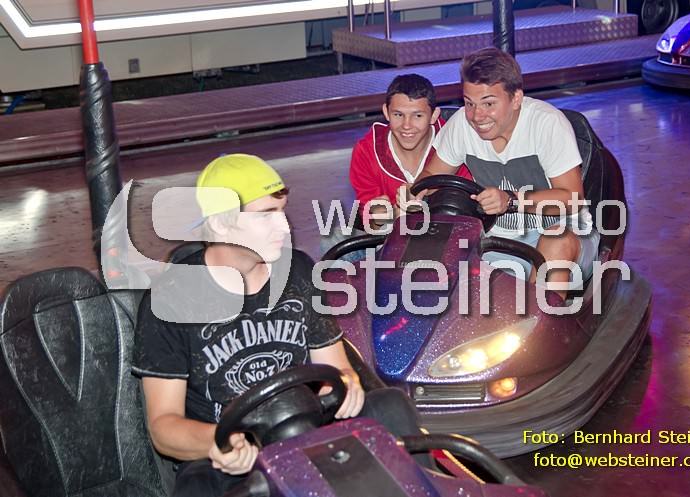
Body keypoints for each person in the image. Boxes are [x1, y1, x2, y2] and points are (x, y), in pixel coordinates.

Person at [133, 154, 424, 497]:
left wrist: (347, 384)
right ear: (221, 223)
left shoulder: (298, 271)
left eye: (282, 212)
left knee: (391, 405)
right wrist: (216, 442)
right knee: (197, 488)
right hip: (233, 454)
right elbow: (163, 426)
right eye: (265, 215)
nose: (284, 227)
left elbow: (337, 368)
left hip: (307, 427)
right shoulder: (170, 300)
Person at [415, 47, 599, 296]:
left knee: (555, 240)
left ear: (516, 99)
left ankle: (544, 319)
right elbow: (430, 177)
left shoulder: (547, 124)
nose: (476, 116)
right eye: (469, 103)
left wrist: (511, 200)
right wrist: (413, 193)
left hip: (566, 233)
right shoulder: (461, 124)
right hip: (499, 238)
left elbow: (572, 198)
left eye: (488, 103)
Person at [321, 74, 471, 256]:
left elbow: (468, 204)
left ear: (433, 115)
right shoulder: (367, 150)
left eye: (417, 116)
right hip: (390, 236)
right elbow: (370, 219)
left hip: (445, 235)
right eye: (398, 115)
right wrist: (380, 217)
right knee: (333, 238)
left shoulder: (453, 141)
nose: (407, 125)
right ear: (386, 112)